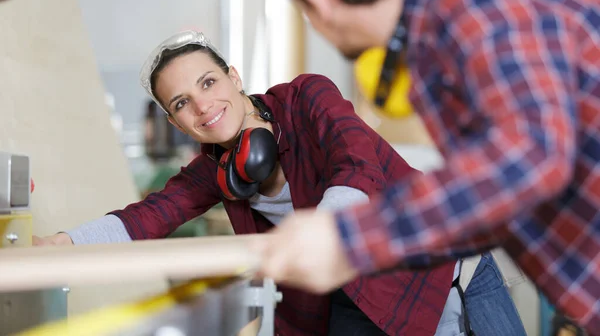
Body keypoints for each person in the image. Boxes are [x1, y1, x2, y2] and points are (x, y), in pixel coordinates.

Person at [34, 30, 523, 335]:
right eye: (181, 103)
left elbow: (357, 161)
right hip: (355, 294)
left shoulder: (307, 98)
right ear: (176, 122)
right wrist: (66, 244)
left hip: (444, 266)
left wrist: (320, 232)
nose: (202, 105)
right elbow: (149, 216)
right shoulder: (215, 169)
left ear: (233, 77)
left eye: (208, 83)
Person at [253, 0, 600, 334]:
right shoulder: (453, 17)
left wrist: (350, 238)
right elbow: (497, 204)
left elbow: (530, 159)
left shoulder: (480, 6)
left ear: (318, 1)